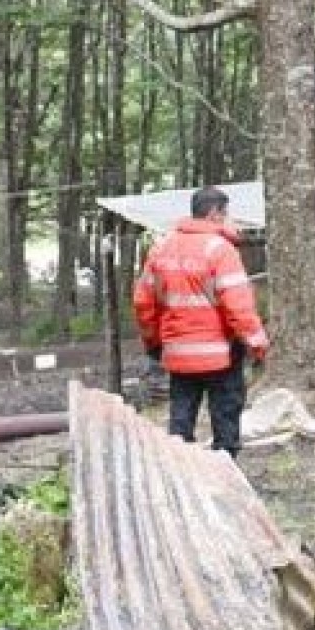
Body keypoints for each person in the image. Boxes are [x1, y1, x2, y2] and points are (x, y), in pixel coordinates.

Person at [132, 186, 270, 456]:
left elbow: (144, 302)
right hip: (221, 355)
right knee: (225, 415)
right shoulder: (220, 250)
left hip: (178, 353)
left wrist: (153, 343)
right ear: (215, 213)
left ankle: (179, 469)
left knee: (181, 417)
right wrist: (257, 344)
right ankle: (225, 467)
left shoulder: (161, 248)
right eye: (226, 213)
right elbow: (238, 306)